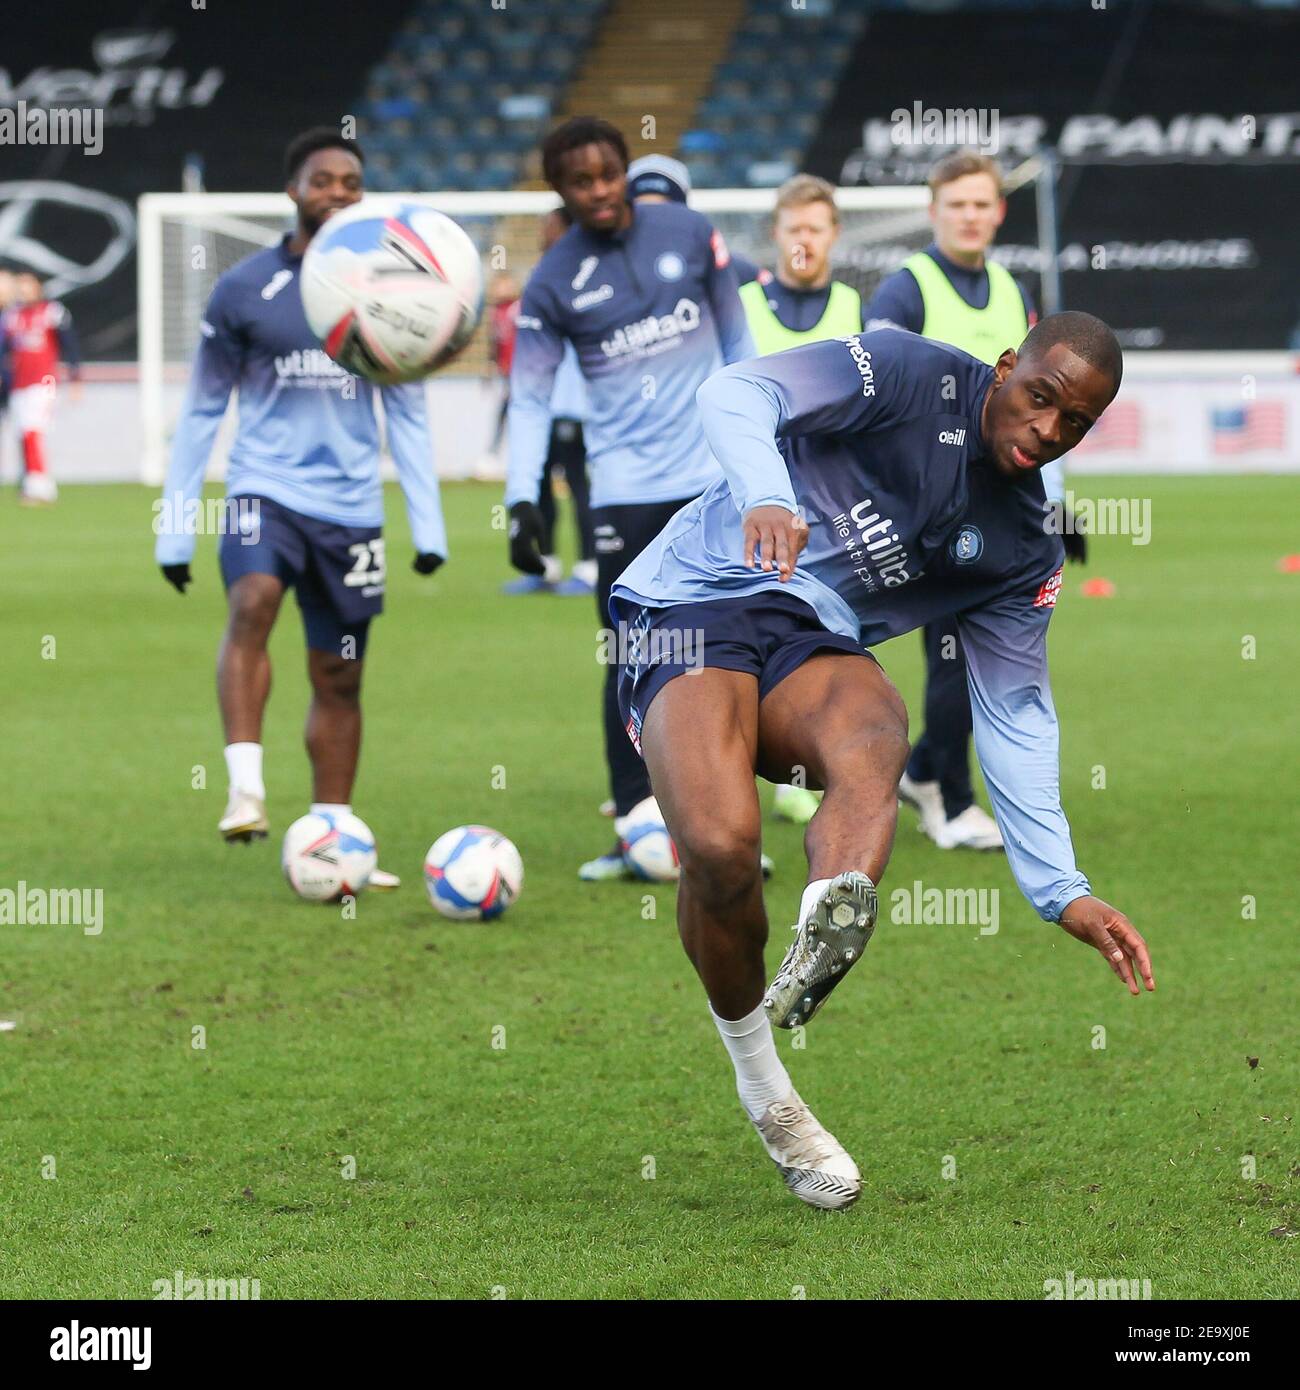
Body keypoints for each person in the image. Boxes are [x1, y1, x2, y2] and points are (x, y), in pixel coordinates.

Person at [609, 313, 1155, 1209]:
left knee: (877, 728)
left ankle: (834, 906)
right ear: (1007, 367)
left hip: (811, 637)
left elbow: (1016, 714)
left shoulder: (1023, 546)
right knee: (719, 850)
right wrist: (766, 493)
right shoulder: (907, 370)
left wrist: (1062, 887)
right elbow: (738, 390)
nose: (1046, 431)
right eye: (1040, 398)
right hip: (695, 598)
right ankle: (766, 1088)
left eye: (1075, 425)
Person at [154, 127, 447, 884]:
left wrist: (430, 525)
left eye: (352, 181)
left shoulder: (392, 294)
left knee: (340, 673)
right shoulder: (245, 289)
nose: (339, 193)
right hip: (264, 490)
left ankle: (335, 831)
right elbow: (200, 414)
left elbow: (408, 416)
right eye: (324, 180)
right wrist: (175, 529)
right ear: (294, 190)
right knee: (252, 600)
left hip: (351, 510)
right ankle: (245, 786)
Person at [504, 116, 755, 880]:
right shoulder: (551, 282)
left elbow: (740, 346)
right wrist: (524, 500)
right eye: (581, 181)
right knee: (630, 654)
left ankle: (729, 825)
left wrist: (763, 450)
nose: (600, 191)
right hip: (621, 496)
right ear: (561, 191)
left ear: (624, 170)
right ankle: (635, 822)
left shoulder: (690, 232)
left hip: (713, 486)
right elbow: (531, 398)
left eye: (608, 173)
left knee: (731, 651)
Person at [865, 151, 1084, 851]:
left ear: (998, 211)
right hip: (929, 502)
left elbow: (1044, 407)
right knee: (951, 654)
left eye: (980, 204)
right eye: (956, 204)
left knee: (974, 652)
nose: (969, 215)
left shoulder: (1009, 289)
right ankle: (947, 796)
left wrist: (1056, 501)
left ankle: (931, 775)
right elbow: (877, 382)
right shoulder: (908, 288)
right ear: (934, 211)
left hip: (1003, 505)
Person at [736, 173, 870, 826]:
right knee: (748, 640)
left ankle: (802, 773)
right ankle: (732, 769)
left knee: (824, 640)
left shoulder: (855, 309)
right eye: (794, 229)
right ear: (777, 235)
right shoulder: (743, 307)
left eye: (816, 228)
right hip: (755, 505)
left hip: (832, 503)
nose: (805, 241)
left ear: (834, 235)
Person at [501, 208, 596, 597]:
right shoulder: (544, 278)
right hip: (543, 406)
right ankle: (547, 564)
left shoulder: (583, 278)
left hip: (573, 404)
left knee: (578, 484)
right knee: (539, 484)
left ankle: (589, 567)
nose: (543, 233)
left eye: (550, 227)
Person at [1, 270, 82, 505]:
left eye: (28, 286)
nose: (23, 291)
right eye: (20, 286)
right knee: (24, 433)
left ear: (37, 287)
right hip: (19, 384)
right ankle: (33, 482)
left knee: (33, 430)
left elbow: (70, 344)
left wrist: (76, 377)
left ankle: (41, 486)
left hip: (43, 382)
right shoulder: (12, 316)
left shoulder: (52, 312)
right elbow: (4, 349)